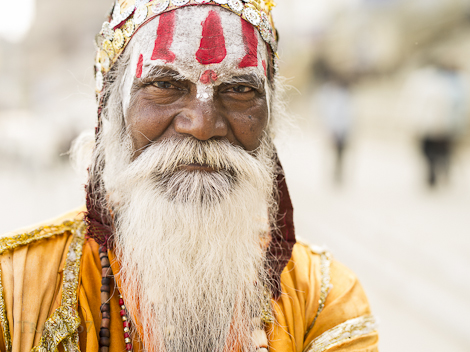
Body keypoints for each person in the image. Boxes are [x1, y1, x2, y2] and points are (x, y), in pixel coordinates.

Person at [0, 0, 378, 351]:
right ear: (110, 110)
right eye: (165, 84)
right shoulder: (15, 284)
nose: (201, 124)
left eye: (240, 89)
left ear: (270, 122)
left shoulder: (323, 298)